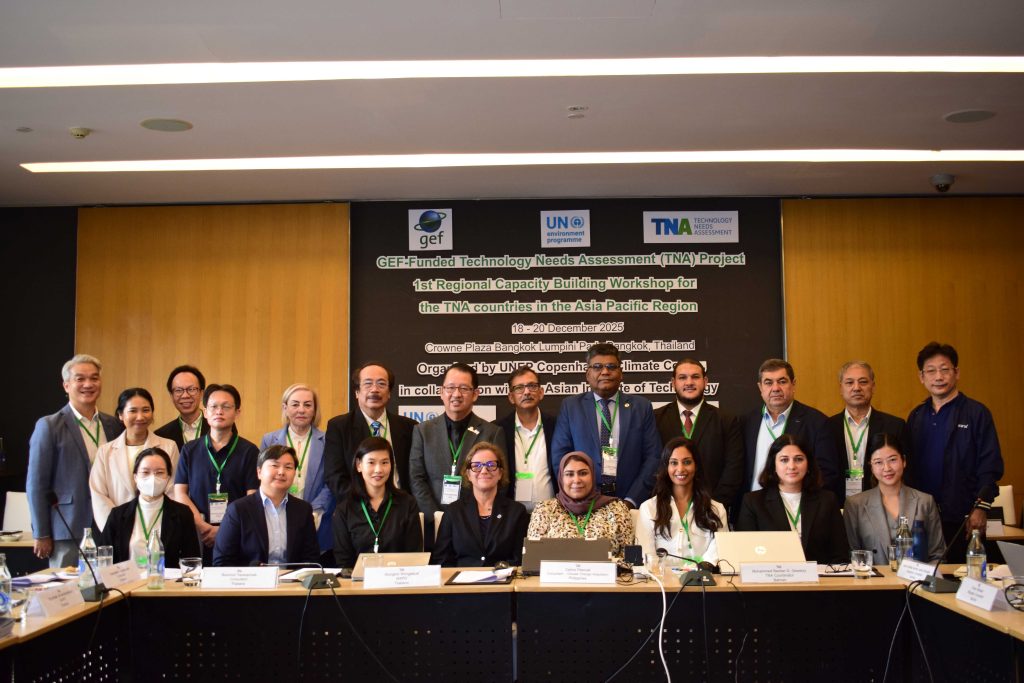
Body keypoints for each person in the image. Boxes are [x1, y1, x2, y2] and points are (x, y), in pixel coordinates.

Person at [906, 342, 1003, 561]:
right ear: (922, 377)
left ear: (956, 373)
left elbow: (990, 465)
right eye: (931, 371)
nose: (938, 377)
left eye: (945, 369)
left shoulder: (976, 413)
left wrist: (980, 508)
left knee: (961, 574)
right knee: (923, 573)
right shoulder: (917, 416)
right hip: (923, 516)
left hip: (963, 517)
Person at [27, 354, 124, 567]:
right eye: (80, 379)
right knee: (67, 586)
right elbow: (36, 484)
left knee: (109, 583)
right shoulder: (49, 426)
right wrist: (41, 533)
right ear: (66, 385)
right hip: (68, 527)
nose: (88, 384)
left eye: (94, 378)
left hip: (108, 523)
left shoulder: (113, 425)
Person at [550, 343, 660, 508]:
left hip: (630, 503)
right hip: (583, 504)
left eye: (611, 366)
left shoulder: (641, 407)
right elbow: (560, 456)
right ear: (588, 374)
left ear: (621, 373)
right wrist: (580, 497)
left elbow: (653, 457)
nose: (605, 372)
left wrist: (632, 500)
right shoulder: (571, 407)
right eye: (597, 367)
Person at [173, 384, 259, 563]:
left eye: (226, 407)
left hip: (237, 535)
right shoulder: (189, 450)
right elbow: (180, 493)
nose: (219, 411)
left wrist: (225, 530)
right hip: (198, 534)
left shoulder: (250, 451)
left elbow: (252, 497)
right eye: (213, 406)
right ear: (205, 412)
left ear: (237, 412)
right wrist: (202, 526)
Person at [409, 363, 505, 523]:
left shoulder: (492, 433)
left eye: (464, 388)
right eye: (450, 388)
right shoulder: (423, 431)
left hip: (475, 523)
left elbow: (500, 481)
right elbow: (416, 479)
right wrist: (436, 517)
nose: (456, 394)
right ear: (441, 392)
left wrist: (477, 517)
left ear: (475, 394)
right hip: (434, 522)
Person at [740, 359, 839, 507]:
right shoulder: (746, 422)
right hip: (754, 509)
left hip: (798, 508)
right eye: (768, 382)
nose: (775, 388)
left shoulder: (817, 422)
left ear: (793, 384)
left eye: (782, 381)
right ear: (760, 387)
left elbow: (827, 473)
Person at [736, 434, 849, 564]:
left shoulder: (827, 500)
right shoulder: (753, 502)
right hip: (772, 575)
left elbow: (840, 554)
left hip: (819, 575)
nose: (792, 466)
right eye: (784, 460)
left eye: (799, 459)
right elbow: (747, 554)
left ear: (808, 464)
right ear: (773, 465)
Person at [653, 358, 743, 508]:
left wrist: (713, 506)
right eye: (682, 377)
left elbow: (734, 469)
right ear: (673, 383)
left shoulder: (726, 421)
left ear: (705, 381)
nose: (689, 382)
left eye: (695, 377)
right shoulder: (656, 419)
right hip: (666, 508)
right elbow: (651, 464)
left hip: (712, 508)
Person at [260, 383, 334, 563]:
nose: (301, 410)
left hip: (318, 518)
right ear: (285, 408)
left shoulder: (328, 440)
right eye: (295, 404)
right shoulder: (269, 439)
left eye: (307, 405)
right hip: (278, 514)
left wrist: (313, 511)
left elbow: (331, 480)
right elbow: (265, 480)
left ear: (314, 410)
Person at [844, 433, 945, 565]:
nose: (887, 468)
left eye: (892, 460)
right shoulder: (855, 505)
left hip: (917, 577)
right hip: (872, 577)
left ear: (904, 461)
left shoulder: (925, 501)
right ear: (871, 466)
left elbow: (938, 555)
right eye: (878, 462)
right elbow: (852, 556)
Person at [213, 444, 321, 567]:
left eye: (288, 467)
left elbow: (311, 559)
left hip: (292, 578)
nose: (281, 472)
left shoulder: (303, 510)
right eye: (275, 465)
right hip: (252, 578)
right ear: (259, 472)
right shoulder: (238, 510)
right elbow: (222, 561)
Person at [324, 362, 417, 501]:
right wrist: (368, 503)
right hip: (358, 506)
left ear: (389, 393)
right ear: (357, 392)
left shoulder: (409, 427)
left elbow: (416, 476)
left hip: (401, 506)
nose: (374, 389)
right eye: (368, 384)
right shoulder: (339, 427)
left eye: (381, 384)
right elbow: (335, 477)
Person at [90, 387, 180, 531]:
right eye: (133, 411)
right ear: (120, 414)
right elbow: (99, 495)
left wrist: (161, 524)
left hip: (158, 526)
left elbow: (173, 490)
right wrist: (116, 528)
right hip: (118, 529)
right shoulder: (105, 452)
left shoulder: (169, 447)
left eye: (146, 410)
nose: (140, 417)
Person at [431, 442, 529, 567]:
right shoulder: (453, 511)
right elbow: (441, 560)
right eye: (476, 466)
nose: (484, 470)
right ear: (468, 474)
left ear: (500, 473)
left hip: (502, 578)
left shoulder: (516, 512)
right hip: (461, 578)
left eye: (491, 465)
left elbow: (519, 559)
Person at [100, 447, 200, 569]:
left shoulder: (182, 514)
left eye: (159, 472)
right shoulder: (118, 515)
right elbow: (103, 560)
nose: (152, 478)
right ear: (135, 477)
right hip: (127, 580)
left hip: (167, 580)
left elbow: (191, 561)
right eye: (145, 472)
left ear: (168, 477)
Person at [332, 437, 422, 568]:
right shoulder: (344, 510)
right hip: (358, 579)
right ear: (359, 465)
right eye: (371, 462)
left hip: (398, 577)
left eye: (384, 462)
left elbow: (414, 555)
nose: (378, 469)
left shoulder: (407, 503)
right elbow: (344, 562)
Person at [637, 437, 727, 568]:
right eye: (674, 463)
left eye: (687, 462)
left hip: (701, 578)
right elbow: (646, 555)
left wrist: (698, 571)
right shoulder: (649, 508)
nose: (680, 469)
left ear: (696, 466)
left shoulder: (717, 510)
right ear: (666, 467)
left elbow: (717, 552)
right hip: (660, 579)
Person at [825, 361, 907, 503]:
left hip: (882, 504)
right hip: (838, 504)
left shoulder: (894, 426)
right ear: (841, 388)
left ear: (873, 387)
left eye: (863, 382)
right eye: (849, 383)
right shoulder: (827, 427)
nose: (856, 388)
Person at [527, 452, 635, 557]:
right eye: (569, 474)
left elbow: (630, 558)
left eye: (583, 473)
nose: (577, 480)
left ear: (592, 476)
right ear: (561, 478)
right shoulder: (544, 510)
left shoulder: (616, 509)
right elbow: (533, 557)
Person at [494, 366, 557, 511]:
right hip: (512, 515)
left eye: (532, 386)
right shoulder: (498, 430)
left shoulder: (557, 426)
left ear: (541, 392)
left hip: (551, 513)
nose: (527, 392)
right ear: (511, 397)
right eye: (519, 388)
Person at [154, 365, 210, 449]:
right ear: (171, 395)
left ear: (202, 393)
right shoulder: (161, 436)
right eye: (178, 390)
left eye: (191, 389)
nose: (185, 396)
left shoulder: (219, 428)